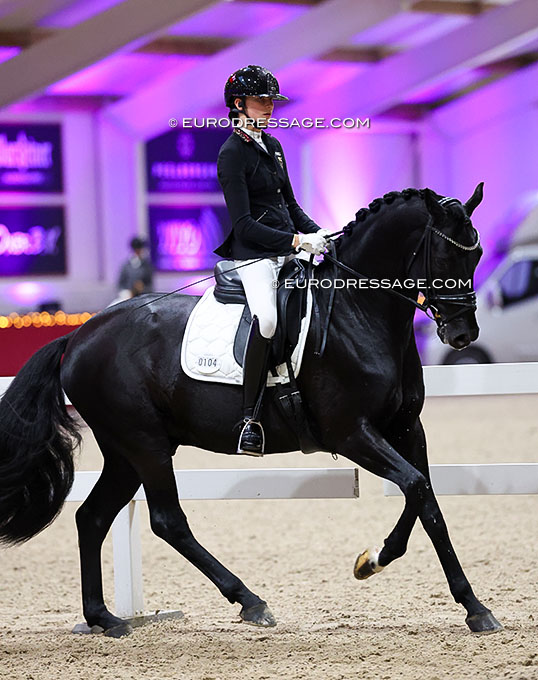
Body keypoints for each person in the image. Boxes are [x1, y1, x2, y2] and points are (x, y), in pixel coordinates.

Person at [214, 64, 330, 456]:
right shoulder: (231, 154)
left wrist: (320, 233)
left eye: (271, 101)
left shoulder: (274, 146)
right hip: (254, 257)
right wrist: (296, 240)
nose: (268, 107)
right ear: (238, 104)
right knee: (266, 319)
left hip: (287, 250)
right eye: (261, 100)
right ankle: (249, 419)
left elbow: (290, 206)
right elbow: (244, 225)